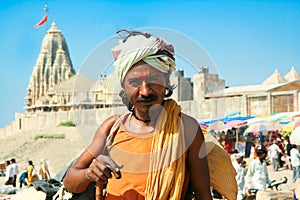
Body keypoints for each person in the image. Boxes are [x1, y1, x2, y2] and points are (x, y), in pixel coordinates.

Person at [63, 30, 237, 200]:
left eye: (154, 80)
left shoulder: (187, 129)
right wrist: (89, 174)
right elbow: (70, 182)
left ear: (167, 82)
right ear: (124, 86)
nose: (145, 91)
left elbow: (203, 195)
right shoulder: (112, 127)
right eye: (134, 82)